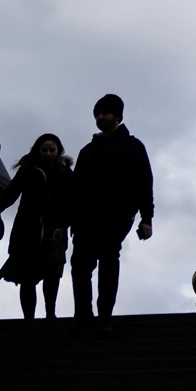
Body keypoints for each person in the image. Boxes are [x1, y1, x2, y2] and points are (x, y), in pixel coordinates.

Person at [70, 94, 154, 334]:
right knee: (80, 266)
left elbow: (144, 183)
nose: (100, 118)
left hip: (116, 216)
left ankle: (104, 315)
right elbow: (75, 187)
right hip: (86, 217)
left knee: (107, 262)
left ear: (117, 115)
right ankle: (83, 317)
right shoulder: (88, 151)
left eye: (104, 113)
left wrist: (146, 218)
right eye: (97, 114)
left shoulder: (133, 147)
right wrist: (68, 220)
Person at [0, 134, 73, 320]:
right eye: (44, 150)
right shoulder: (28, 170)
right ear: (38, 150)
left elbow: (71, 201)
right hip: (27, 229)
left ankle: (50, 314)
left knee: (52, 273)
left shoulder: (66, 173)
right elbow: (12, 191)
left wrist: (66, 223)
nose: (48, 153)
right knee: (27, 277)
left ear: (58, 150)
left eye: (51, 150)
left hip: (54, 229)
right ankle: (29, 318)